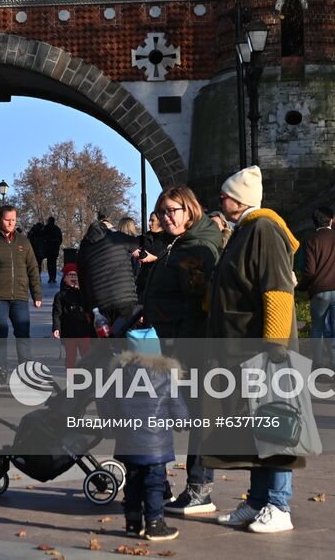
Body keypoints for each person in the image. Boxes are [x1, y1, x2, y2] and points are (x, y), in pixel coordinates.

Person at [207, 165, 303, 535]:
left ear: (241, 199)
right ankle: (258, 501)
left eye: (226, 195)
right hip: (242, 349)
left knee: (275, 425)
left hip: (264, 351)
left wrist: (276, 348)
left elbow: (277, 289)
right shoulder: (246, 230)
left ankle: (279, 506)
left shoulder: (263, 229)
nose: (221, 200)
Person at [143, 186, 222, 518]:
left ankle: (200, 489)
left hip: (187, 346)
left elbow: (197, 307)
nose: (166, 217)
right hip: (171, 341)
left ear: (190, 210)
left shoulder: (197, 249)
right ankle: (184, 486)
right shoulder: (182, 244)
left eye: (172, 210)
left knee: (200, 416)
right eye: (162, 212)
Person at [96, 330, 187, 541]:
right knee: (154, 483)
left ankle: (133, 523)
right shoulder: (166, 376)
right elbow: (179, 410)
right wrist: (183, 422)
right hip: (156, 445)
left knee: (133, 481)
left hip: (128, 442)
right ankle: (154, 523)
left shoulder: (119, 375)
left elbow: (107, 405)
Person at [0, 204, 41, 385]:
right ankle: (1, 373)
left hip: (20, 296)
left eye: (13, 219)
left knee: (23, 334)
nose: (11, 223)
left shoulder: (24, 242)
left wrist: (37, 294)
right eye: (7, 219)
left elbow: (33, 268)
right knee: (1, 332)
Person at [298, 206, 335, 371]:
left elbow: (310, 271)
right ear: (332, 219)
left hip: (319, 291)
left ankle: (318, 365)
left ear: (314, 222)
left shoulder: (311, 240)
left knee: (318, 328)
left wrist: (301, 286)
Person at [75, 219, 140, 336]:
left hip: (99, 304)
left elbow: (82, 282)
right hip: (124, 298)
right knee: (127, 340)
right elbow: (138, 244)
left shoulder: (83, 249)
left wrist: (86, 310)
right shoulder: (117, 238)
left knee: (104, 344)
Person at [51, 262, 94, 368]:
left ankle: (89, 376)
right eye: (70, 275)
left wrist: (81, 290)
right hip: (68, 332)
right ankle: (71, 378)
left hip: (84, 331)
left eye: (75, 275)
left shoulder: (84, 294)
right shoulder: (60, 296)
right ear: (64, 279)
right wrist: (56, 328)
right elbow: (57, 313)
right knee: (71, 356)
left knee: (87, 355)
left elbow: (91, 306)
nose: (73, 277)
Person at [40, 215, 63, 284]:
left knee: (50, 263)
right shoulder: (57, 229)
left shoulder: (46, 228)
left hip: (48, 248)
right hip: (55, 248)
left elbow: (42, 236)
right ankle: (54, 277)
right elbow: (61, 239)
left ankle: (51, 277)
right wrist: (57, 244)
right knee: (54, 263)